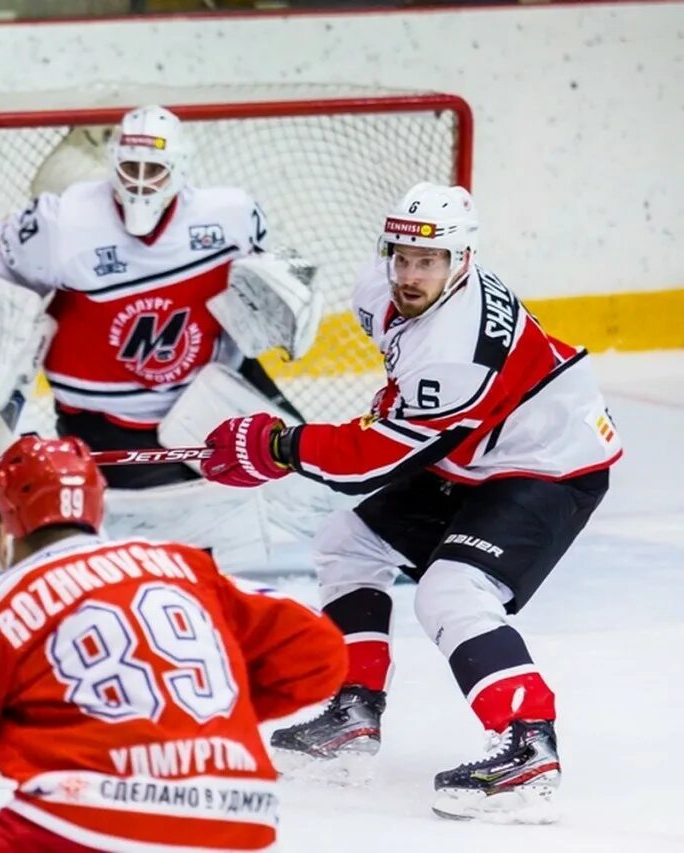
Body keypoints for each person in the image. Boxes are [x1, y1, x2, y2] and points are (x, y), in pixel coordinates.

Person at [200, 182, 622, 822]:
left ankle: (528, 744)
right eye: (401, 257)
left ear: (462, 261)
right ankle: (355, 712)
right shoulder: (383, 288)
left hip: (549, 463)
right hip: (475, 452)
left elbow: (371, 460)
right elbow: (396, 420)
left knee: (450, 592)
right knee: (347, 543)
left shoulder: (458, 349)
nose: (409, 274)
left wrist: (277, 446)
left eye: (428, 262)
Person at [0, 434, 347, 852]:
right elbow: (321, 654)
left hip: (85, 822)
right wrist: (192, 724)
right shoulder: (183, 565)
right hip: (242, 817)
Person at [0, 104, 331, 570]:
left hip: (213, 391)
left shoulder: (231, 216)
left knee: (314, 479)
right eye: (130, 167)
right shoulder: (62, 223)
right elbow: (2, 267)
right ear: (111, 163)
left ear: (179, 169)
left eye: (153, 169)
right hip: (101, 417)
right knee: (157, 541)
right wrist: (0, 336)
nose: (139, 181)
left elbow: (263, 282)